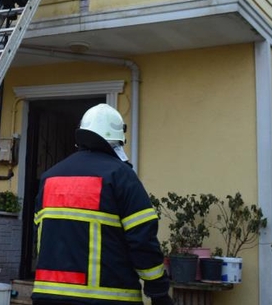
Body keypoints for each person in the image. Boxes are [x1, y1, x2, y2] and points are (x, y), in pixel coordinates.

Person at [31, 104, 173, 305]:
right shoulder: (120, 176)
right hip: (107, 297)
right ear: (117, 141)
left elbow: (42, 234)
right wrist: (158, 291)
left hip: (47, 296)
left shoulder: (49, 177)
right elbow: (141, 238)